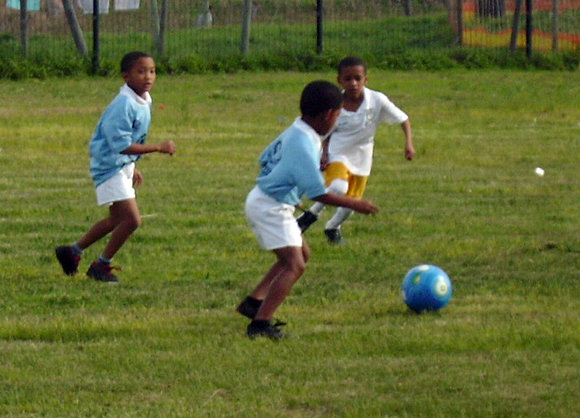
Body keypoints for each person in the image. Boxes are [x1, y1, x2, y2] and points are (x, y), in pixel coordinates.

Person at [237, 80, 379, 339]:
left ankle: (254, 302)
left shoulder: (297, 130)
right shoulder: (304, 143)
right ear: (328, 115)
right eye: (338, 115)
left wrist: (287, 189)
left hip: (269, 200)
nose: (337, 120)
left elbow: (266, 158)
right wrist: (355, 203)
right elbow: (319, 194)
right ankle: (260, 324)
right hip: (270, 207)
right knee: (295, 265)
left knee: (302, 253)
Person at [55, 51, 176, 283]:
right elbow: (121, 145)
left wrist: (132, 167)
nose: (148, 77)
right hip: (109, 167)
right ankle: (101, 265)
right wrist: (158, 147)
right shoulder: (124, 104)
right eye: (141, 71)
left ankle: (72, 252)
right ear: (126, 76)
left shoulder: (143, 99)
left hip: (121, 165)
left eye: (152, 71)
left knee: (116, 219)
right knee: (132, 220)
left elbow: (130, 140)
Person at [297, 56, 415, 244]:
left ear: (366, 79)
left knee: (352, 204)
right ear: (339, 80)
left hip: (362, 157)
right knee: (338, 187)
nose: (353, 83)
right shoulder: (334, 103)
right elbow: (325, 132)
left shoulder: (376, 100)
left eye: (357, 78)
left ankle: (332, 228)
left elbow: (403, 119)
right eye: (348, 79)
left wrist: (409, 144)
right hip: (338, 153)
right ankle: (309, 216)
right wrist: (324, 154)